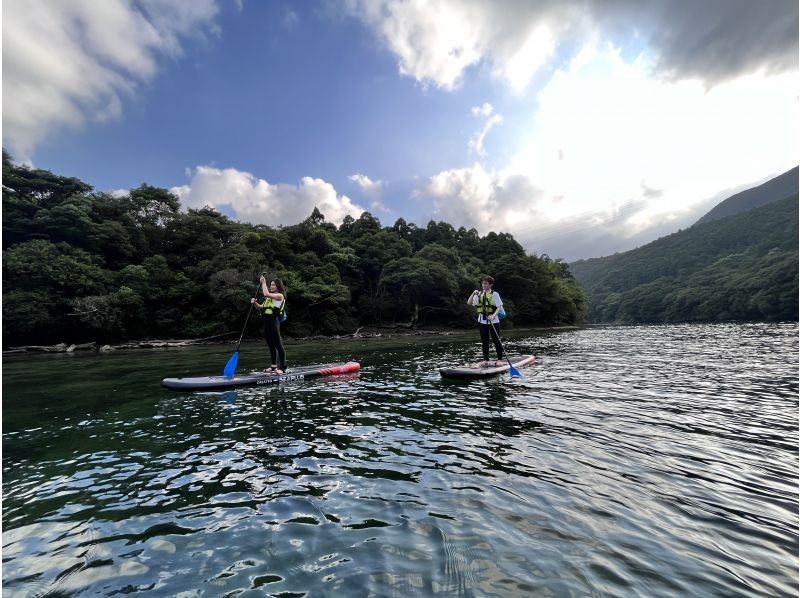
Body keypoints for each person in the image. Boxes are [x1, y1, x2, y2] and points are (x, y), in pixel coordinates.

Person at [251, 276, 287, 373]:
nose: (271, 286)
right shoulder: (268, 299)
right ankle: (273, 366)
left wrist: (263, 282)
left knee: (278, 345)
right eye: (270, 285)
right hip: (266, 323)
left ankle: (282, 368)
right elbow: (261, 307)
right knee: (271, 345)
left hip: (274, 322)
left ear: (278, 286)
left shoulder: (280, 296)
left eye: (273, 285)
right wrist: (255, 303)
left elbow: (266, 293)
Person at [468, 275, 504, 366]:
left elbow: (499, 307)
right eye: (482, 283)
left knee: (496, 340)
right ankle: (486, 359)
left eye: (485, 283)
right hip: (482, 321)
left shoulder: (494, 294)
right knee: (485, 341)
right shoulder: (479, 294)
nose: (483, 285)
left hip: (494, 320)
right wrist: (473, 293)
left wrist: (493, 316)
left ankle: (499, 359)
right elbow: (469, 302)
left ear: (490, 284)